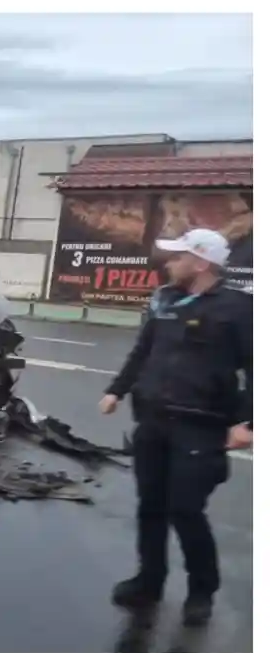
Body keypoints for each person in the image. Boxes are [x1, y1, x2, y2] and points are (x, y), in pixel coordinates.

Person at [99, 228, 252, 627]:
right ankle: (149, 582)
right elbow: (144, 349)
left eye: (177, 257)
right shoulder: (165, 298)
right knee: (150, 507)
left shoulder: (238, 308)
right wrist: (117, 390)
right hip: (152, 420)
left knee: (185, 509)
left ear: (200, 262)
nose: (169, 263)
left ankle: (202, 590)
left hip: (200, 426)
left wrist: (248, 422)